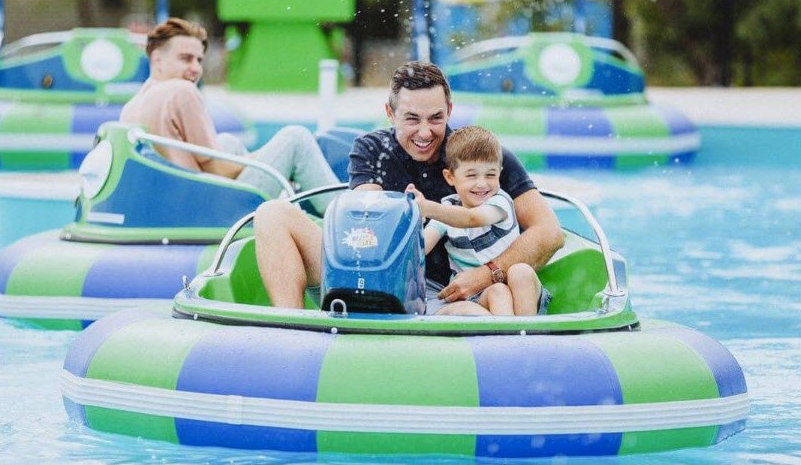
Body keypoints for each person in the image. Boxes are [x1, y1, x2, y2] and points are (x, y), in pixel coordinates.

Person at [254, 60, 564, 314]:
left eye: (436, 118)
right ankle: (292, 328)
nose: (425, 132)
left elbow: (549, 232)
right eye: (412, 119)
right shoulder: (373, 150)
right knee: (272, 214)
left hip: (448, 292)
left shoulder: (479, 157)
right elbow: (368, 227)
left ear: (450, 111)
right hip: (382, 275)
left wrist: (487, 274)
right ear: (390, 113)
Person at [119, 17, 340, 213]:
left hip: (174, 202)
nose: (196, 68)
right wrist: (271, 155)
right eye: (186, 59)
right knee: (295, 139)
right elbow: (219, 170)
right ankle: (350, 218)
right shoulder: (182, 91)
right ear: (157, 59)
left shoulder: (130, 107)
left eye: (199, 60)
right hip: (205, 208)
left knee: (228, 143)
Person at [405, 125, 549, 316]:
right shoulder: (448, 210)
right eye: (472, 175)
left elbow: (472, 218)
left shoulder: (500, 203)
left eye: (490, 174)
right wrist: (413, 217)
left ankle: (527, 334)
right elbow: (419, 248)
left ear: (500, 173)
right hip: (479, 296)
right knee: (498, 292)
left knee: (520, 271)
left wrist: (428, 207)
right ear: (450, 177)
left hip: (521, 294)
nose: (482, 183)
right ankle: (509, 339)